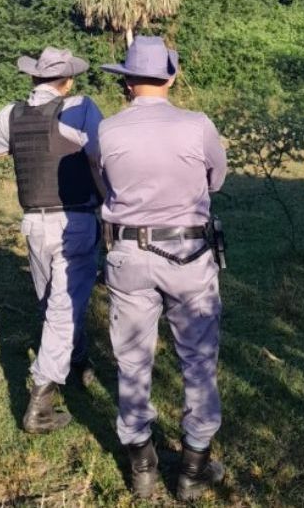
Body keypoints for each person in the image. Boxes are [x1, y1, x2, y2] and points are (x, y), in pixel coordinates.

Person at [97, 36, 227, 501]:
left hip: (129, 255)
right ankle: (193, 467)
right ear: (170, 76)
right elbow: (217, 178)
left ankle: (142, 465)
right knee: (198, 361)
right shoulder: (198, 124)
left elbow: (105, 186)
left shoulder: (107, 130)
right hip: (190, 256)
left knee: (132, 360)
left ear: (128, 81)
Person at [0, 47, 104, 434]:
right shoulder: (82, 108)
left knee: (53, 303)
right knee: (63, 304)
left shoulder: (13, 115)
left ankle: (78, 359)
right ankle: (40, 399)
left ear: (33, 78)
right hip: (74, 218)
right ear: (68, 80)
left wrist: (14, 147)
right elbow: (99, 158)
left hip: (33, 223)